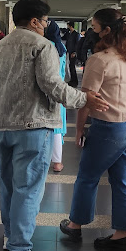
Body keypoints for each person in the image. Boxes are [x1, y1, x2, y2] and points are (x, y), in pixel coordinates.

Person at [0, 0, 108, 251]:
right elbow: (53, 85)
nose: (47, 25)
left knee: (9, 187)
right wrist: (83, 99)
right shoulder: (42, 46)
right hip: (32, 126)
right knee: (28, 189)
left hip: (0, 126)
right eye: (46, 20)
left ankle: (11, 237)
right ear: (34, 21)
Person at [60, 8, 126, 251]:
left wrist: (79, 130)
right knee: (123, 179)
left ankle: (75, 225)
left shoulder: (100, 60)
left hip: (109, 128)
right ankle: (121, 235)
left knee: (87, 177)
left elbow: (86, 100)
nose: (91, 31)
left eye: (94, 27)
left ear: (107, 31)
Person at [45, 20, 67, 173]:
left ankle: (43, 160)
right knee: (57, 127)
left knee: (43, 126)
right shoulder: (62, 48)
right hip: (59, 89)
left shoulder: (44, 45)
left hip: (44, 89)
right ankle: (57, 163)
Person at [64, 21, 80, 87]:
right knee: (70, 66)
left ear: (70, 26)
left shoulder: (76, 34)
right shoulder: (69, 34)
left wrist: (74, 52)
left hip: (73, 52)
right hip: (69, 51)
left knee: (72, 66)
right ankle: (72, 80)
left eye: (68, 26)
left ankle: (75, 81)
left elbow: (77, 44)